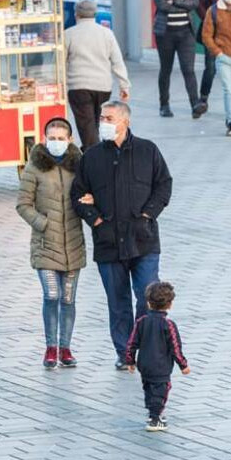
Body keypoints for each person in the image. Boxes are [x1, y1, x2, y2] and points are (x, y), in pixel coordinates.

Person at [70, 101, 172, 370]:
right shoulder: (91, 157)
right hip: (108, 243)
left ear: (124, 121)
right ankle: (125, 353)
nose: (102, 122)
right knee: (118, 303)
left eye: (108, 118)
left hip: (144, 241)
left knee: (148, 297)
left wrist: (148, 215)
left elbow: (164, 185)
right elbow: (77, 196)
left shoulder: (147, 150)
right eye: (101, 117)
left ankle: (145, 347)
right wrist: (97, 220)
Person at [16, 118, 86, 369]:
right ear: (45, 138)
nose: (55, 142)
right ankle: (50, 347)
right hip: (45, 243)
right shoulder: (35, 167)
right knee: (51, 295)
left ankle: (66, 347)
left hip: (73, 243)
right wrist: (41, 222)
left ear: (69, 140)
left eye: (60, 138)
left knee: (68, 299)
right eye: (51, 137)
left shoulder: (79, 166)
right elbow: (23, 204)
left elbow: (90, 193)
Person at [124, 281, 190, 432]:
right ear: (170, 304)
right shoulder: (169, 325)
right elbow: (175, 347)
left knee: (148, 387)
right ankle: (155, 418)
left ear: (148, 303)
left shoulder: (141, 322)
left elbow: (132, 343)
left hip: (145, 365)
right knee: (161, 391)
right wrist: (183, 365)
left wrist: (130, 360)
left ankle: (152, 413)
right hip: (161, 367)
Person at [65, 0, 131, 149]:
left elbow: (61, 63)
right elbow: (117, 61)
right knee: (94, 124)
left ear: (76, 15)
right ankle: (92, 152)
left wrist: (60, 86)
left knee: (87, 126)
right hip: (103, 87)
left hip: (78, 87)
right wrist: (124, 85)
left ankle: (93, 156)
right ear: (95, 14)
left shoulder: (69, 34)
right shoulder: (107, 34)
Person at [153, 0, 207, 119]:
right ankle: (164, 104)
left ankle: (195, 105)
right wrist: (184, 4)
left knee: (188, 69)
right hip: (166, 33)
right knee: (166, 69)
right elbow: (162, 5)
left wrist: (175, 2)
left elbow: (194, 3)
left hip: (186, 32)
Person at [196, 0, 231, 108]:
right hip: (213, 32)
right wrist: (209, 19)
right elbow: (199, 3)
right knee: (211, 67)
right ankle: (203, 98)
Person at [201, 0, 231, 136]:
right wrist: (218, 52)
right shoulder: (213, 10)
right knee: (228, 90)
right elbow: (206, 35)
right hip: (223, 57)